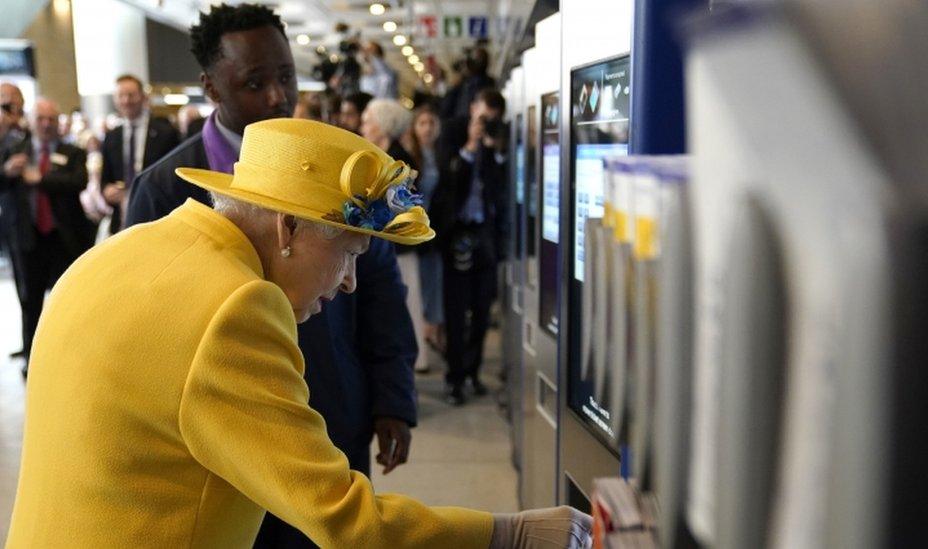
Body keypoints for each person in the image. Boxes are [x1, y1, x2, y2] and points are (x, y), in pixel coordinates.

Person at [6, 117, 591, 548]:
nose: (349, 284)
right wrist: (512, 535)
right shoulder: (236, 309)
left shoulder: (126, 249)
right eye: (350, 254)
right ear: (288, 226)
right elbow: (345, 521)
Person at [125, 5, 418, 547]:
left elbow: (379, 288)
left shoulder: (338, 167)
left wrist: (393, 398)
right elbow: (141, 325)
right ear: (212, 87)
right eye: (254, 82)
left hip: (331, 407)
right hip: (223, 442)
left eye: (285, 76)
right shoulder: (164, 189)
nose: (277, 97)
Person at [0, 98, 95, 369]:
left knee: (68, 300)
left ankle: (71, 356)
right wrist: (7, 172)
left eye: (51, 119)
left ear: (58, 122)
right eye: (40, 119)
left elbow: (79, 181)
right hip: (27, 238)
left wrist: (40, 180)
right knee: (29, 301)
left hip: (64, 237)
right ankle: (32, 360)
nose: (45, 124)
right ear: (31, 121)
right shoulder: (14, 150)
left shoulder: (72, 151)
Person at [430, 89, 508, 406]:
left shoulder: (496, 139)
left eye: (492, 119)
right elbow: (448, 178)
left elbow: (500, 186)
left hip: (485, 236)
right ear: (473, 108)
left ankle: (473, 373)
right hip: (456, 233)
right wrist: (470, 146)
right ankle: (455, 378)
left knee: (481, 309)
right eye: (482, 117)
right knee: (455, 310)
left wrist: (493, 150)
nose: (486, 123)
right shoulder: (452, 131)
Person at [361, 98, 434, 372]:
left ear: (382, 125)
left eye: (368, 120)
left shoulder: (400, 159)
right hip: (385, 243)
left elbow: (404, 205)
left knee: (406, 301)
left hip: (398, 244)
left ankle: (412, 358)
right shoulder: (379, 154)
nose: (363, 125)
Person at [100, 74, 181, 234]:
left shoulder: (165, 132)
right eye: (121, 96)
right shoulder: (112, 136)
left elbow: (174, 175)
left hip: (157, 215)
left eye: (131, 95)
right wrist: (106, 191)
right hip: (121, 218)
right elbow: (105, 179)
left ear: (143, 97)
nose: (126, 101)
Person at [409, 105, 446, 364]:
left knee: (434, 282)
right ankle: (422, 339)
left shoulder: (440, 155)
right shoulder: (412, 157)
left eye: (431, 123)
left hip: (438, 229)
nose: (427, 128)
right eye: (422, 123)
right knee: (418, 285)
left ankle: (432, 331)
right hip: (418, 230)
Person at [0, 83, 30, 359]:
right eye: (3, 103)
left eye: (12, 102)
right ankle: (27, 344)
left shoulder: (29, 130)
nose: (9, 108)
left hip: (40, 221)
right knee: (22, 288)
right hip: (13, 222)